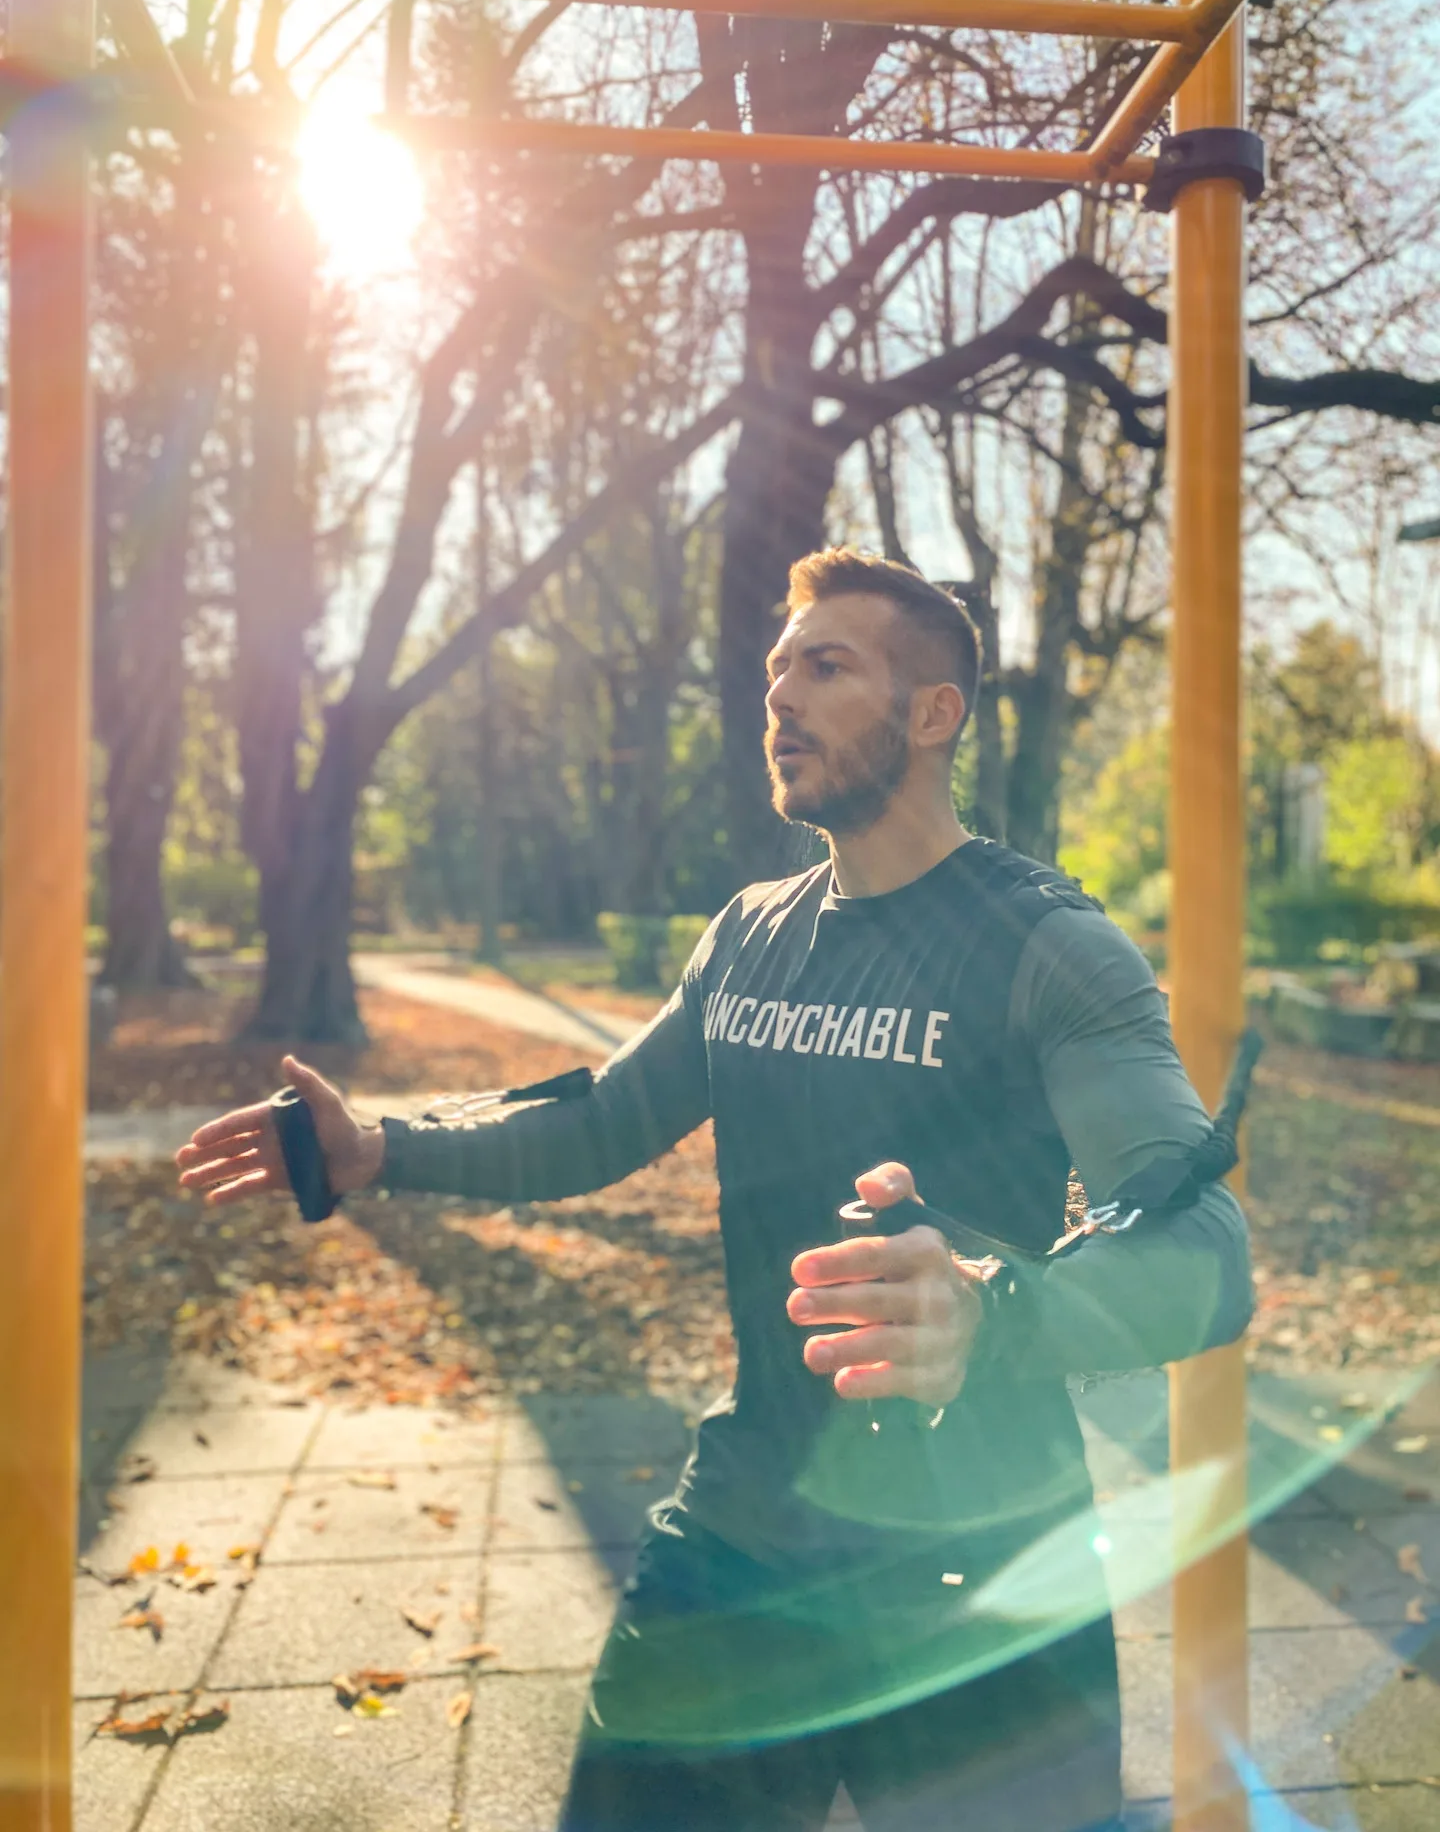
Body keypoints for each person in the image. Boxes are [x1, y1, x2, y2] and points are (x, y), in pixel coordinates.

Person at [178, 550, 1252, 1832]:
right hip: (744, 1540)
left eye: (827, 666)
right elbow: (607, 1118)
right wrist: (381, 1148)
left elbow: (1202, 1244)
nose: (780, 697)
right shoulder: (752, 932)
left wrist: (995, 1308)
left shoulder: (1049, 947)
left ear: (933, 715)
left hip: (985, 1572)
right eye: (776, 669)